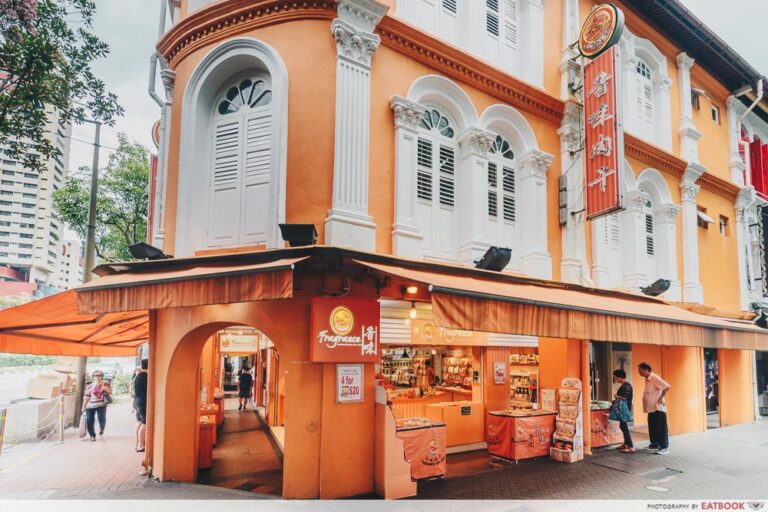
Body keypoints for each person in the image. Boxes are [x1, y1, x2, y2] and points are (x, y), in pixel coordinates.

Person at [638, 362, 671, 455]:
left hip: (658, 408)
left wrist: (661, 397)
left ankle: (664, 447)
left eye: (640, 370)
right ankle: (654, 444)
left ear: (646, 370)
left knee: (661, 428)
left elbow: (667, 386)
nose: (639, 372)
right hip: (651, 408)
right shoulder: (647, 379)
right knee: (652, 427)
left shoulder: (654, 377)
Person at [81, 370, 112, 441]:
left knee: (102, 419)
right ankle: (92, 435)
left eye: (99, 375)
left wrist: (103, 386)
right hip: (90, 406)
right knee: (90, 420)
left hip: (101, 405)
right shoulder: (89, 386)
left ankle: (102, 429)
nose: (97, 377)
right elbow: (86, 397)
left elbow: (110, 392)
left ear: (102, 377)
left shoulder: (105, 384)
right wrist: (83, 407)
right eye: (96, 375)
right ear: (93, 377)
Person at [612, 369, 634, 453]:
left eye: (615, 377)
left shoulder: (626, 386)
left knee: (624, 427)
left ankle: (631, 446)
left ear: (620, 377)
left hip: (624, 409)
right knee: (622, 426)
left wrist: (616, 396)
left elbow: (624, 398)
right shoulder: (625, 385)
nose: (615, 379)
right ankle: (626, 444)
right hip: (624, 409)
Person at [133, 359, 148, 453]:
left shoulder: (139, 375)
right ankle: (140, 445)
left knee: (140, 422)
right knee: (145, 423)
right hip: (142, 402)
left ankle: (137, 442)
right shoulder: (145, 376)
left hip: (137, 401)